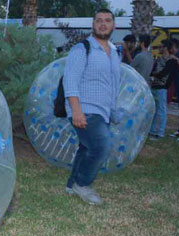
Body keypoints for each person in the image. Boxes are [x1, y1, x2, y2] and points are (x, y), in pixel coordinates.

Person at [63, 8, 121, 205]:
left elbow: (113, 84)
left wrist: (112, 110)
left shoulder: (113, 52)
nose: (103, 24)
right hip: (85, 109)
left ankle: (71, 185)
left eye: (107, 20)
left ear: (114, 25)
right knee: (101, 146)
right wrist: (76, 110)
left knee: (86, 146)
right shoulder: (82, 48)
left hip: (103, 111)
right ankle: (82, 183)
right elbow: (70, 80)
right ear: (93, 25)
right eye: (98, 21)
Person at [149, 39, 177, 139]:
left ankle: (160, 132)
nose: (159, 49)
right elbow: (153, 72)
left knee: (161, 110)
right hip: (155, 86)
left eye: (161, 47)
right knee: (155, 109)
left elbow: (163, 74)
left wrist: (155, 75)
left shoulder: (171, 60)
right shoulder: (159, 59)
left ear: (165, 48)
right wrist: (155, 75)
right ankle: (152, 130)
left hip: (162, 88)